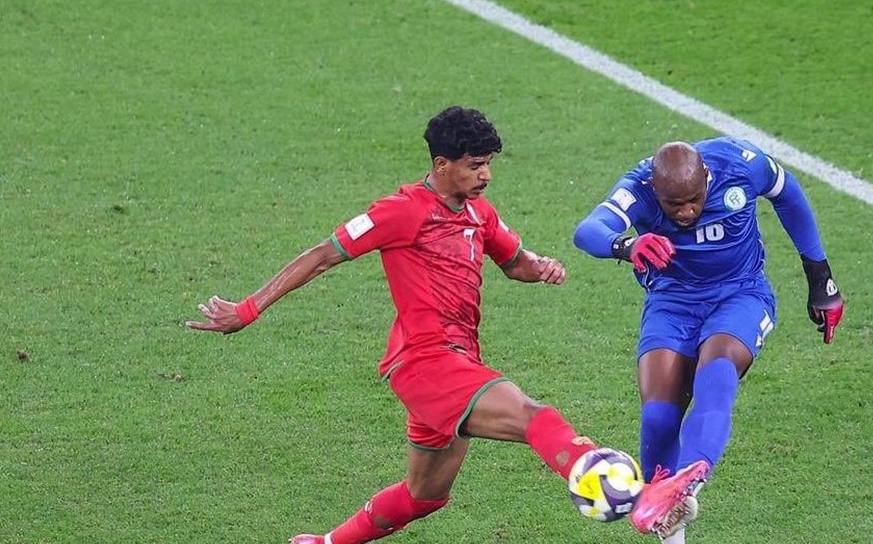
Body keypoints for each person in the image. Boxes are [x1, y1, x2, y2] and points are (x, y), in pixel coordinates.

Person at [188, 106, 608, 544]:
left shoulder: (478, 212)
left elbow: (516, 262)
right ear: (442, 165)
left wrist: (541, 267)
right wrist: (248, 309)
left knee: (424, 495)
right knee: (535, 416)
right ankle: (609, 478)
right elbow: (322, 256)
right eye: (474, 166)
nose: (485, 175)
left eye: (487, 164)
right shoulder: (402, 211)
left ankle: (325, 543)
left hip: (456, 361)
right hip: (427, 362)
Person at [572, 138, 845, 542]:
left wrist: (820, 277)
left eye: (694, 200)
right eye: (673, 205)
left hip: (741, 293)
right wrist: (627, 245)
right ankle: (670, 518)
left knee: (716, 370)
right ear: (656, 190)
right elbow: (588, 231)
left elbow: (788, 194)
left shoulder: (741, 164)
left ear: (706, 178)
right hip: (672, 302)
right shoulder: (640, 186)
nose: (686, 212)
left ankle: (690, 476)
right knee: (658, 417)